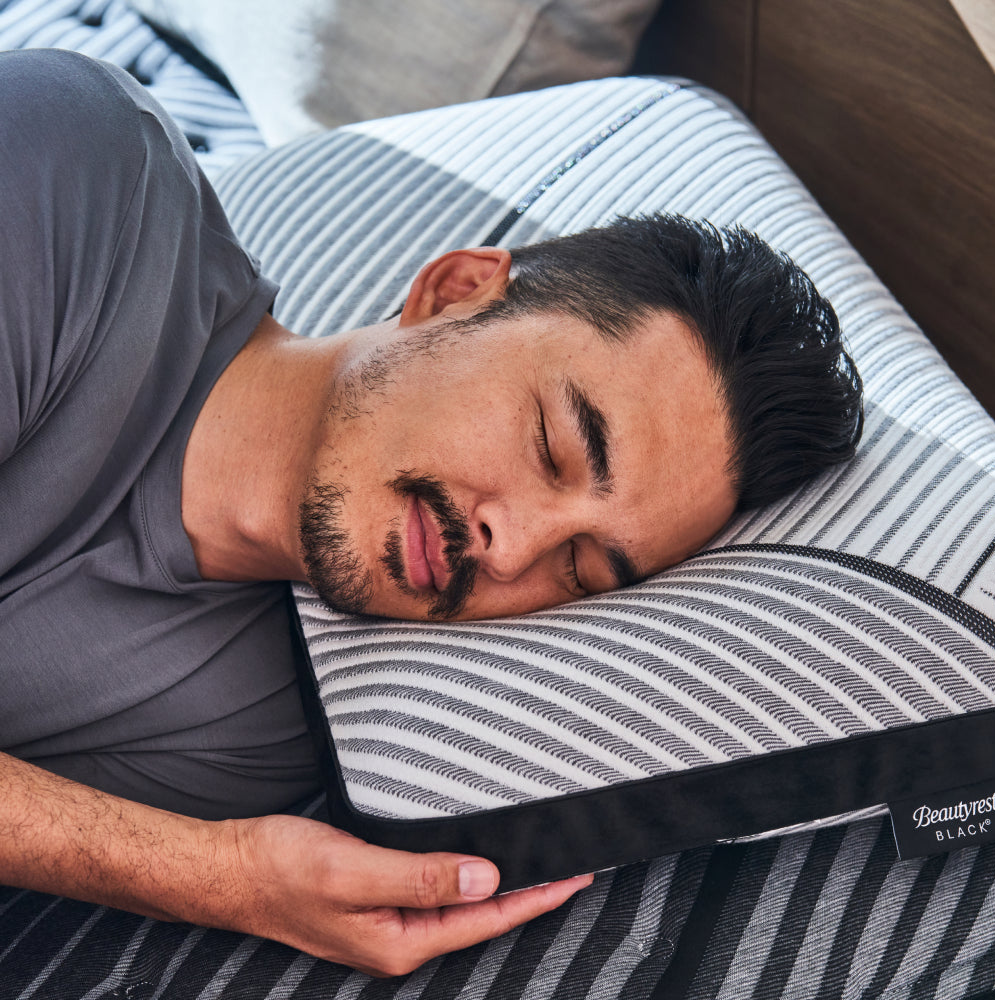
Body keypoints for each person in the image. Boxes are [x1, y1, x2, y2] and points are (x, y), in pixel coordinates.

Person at [0, 49, 863, 978]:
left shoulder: (288, 741)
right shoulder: (80, 172)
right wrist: (225, 877)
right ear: (453, 293)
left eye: (582, 569)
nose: (513, 547)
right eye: (553, 446)